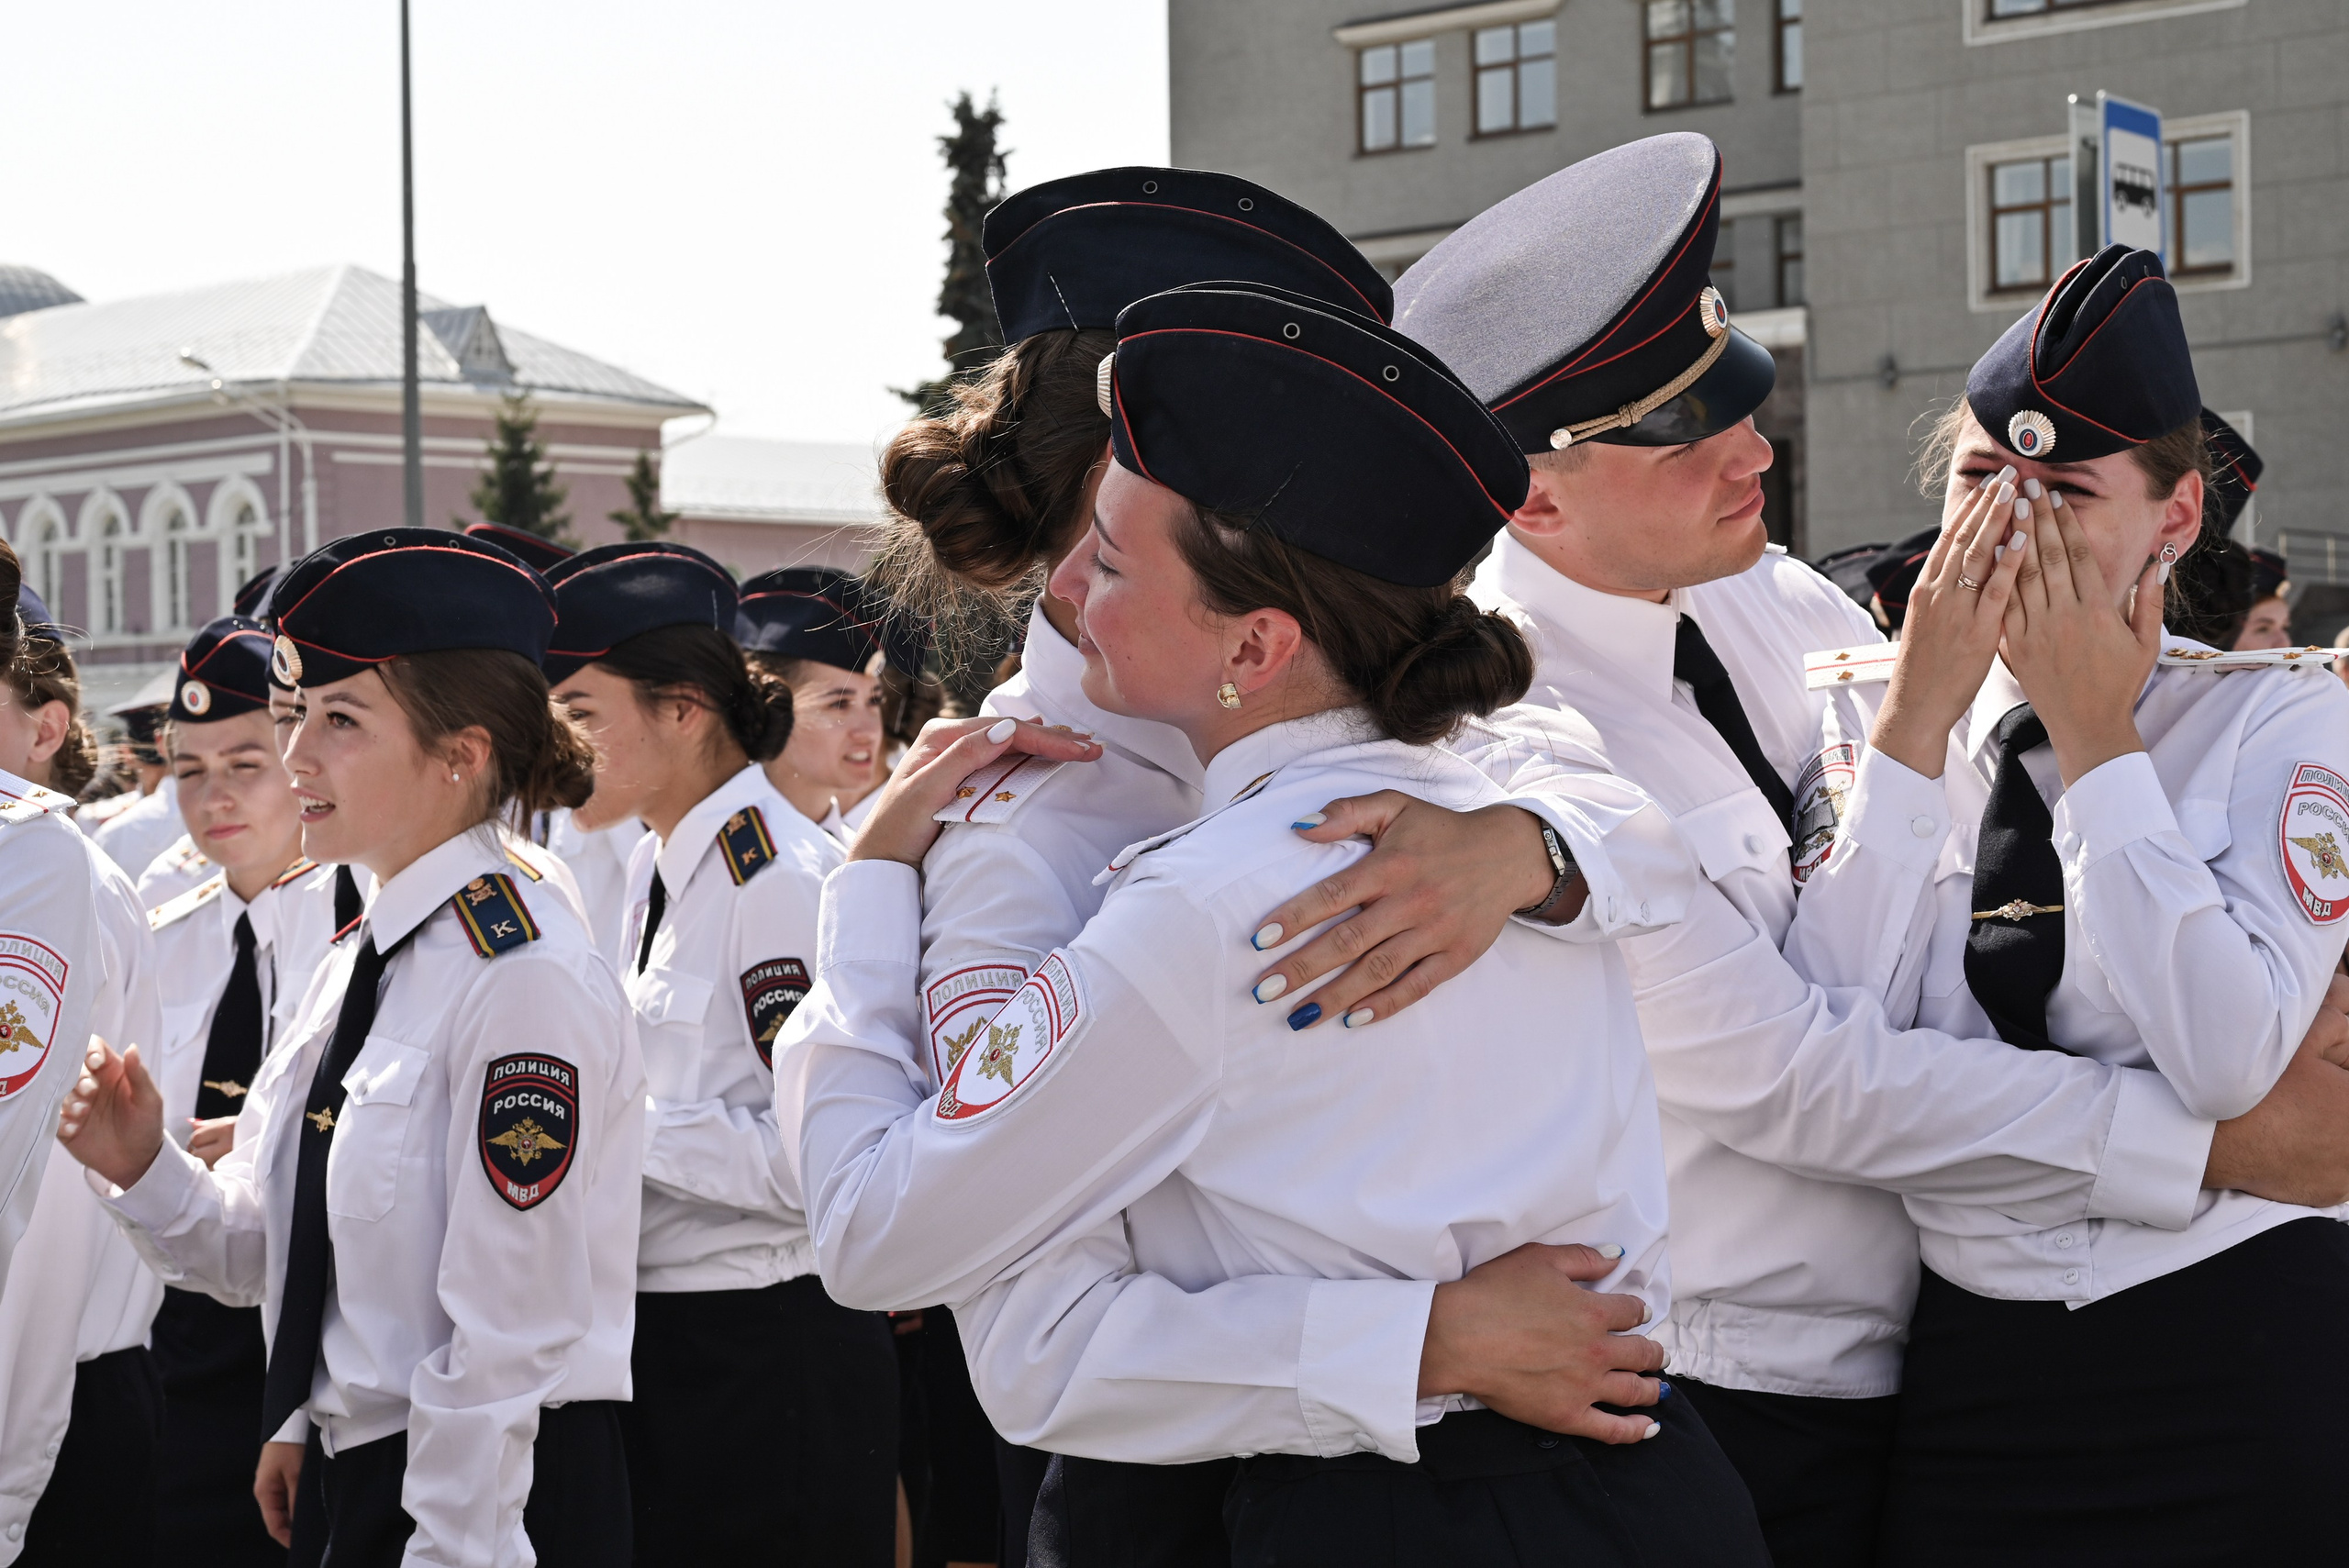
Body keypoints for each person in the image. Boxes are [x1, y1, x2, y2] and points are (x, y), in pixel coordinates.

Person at [1296, 134, 2349, 1568]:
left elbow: (1917, 941)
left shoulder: (1783, 606)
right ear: (1532, 497)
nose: (1759, 452)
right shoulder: (1492, 723)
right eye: (1690, 435)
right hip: (1723, 1386)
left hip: (1953, 1355)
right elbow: (1798, 1071)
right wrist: (2213, 1139)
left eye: (1745, 404)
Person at [799, 278, 1768, 1568]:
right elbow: (1615, 829)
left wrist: (867, 887)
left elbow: (877, 1232)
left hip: (1397, 1511)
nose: (1071, 590)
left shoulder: (1208, 898)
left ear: (1254, 648)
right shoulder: (1490, 802)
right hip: (1643, 1489)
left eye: (1113, 557)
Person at [1786, 244, 2349, 1561]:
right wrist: (1917, 720)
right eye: (1984, 479)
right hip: (1974, 1351)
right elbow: (1820, 1040)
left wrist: (2102, 744)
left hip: (2234, 1320)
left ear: (2173, 519)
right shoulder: (1871, 715)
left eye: (2067, 490)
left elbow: (2225, 1055)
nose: (2013, 525)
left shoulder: (2276, 715)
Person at [56, 528, 644, 1568]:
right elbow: (278, 1254)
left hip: (481, 1498)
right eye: (293, 717)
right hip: (367, 1466)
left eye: (339, 720)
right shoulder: (363, 951)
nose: (295, 757)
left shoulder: (521, 974)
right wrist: (144, 1167)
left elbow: (505, 1338)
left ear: (460, 752)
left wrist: (446, 1542)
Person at [541, 541, 893, 1566]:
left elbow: (821, 1160)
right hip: (678, 1339)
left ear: (684, 709)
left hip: (768, 1348)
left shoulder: (773, 878)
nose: (557, 740)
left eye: (582, 710)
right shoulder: (660, 857)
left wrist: (613, 1122)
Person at [139, 617, 341, 1566]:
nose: (212, 795)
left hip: (306, 1340)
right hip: (175, 1333)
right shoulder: (161, 931)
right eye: (188, 770)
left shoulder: (359, 926)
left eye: (244, 761)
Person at [0, 572, 162, 1561]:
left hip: (50, 1393)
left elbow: (33, 1213)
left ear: (46, 726)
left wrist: (7, 1492)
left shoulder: (49, 870)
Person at [735, 569, 904, 840]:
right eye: (839, 704)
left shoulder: (854, 849)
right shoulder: (742, 852)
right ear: (768, 705)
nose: (870, 731)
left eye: (874, 700)